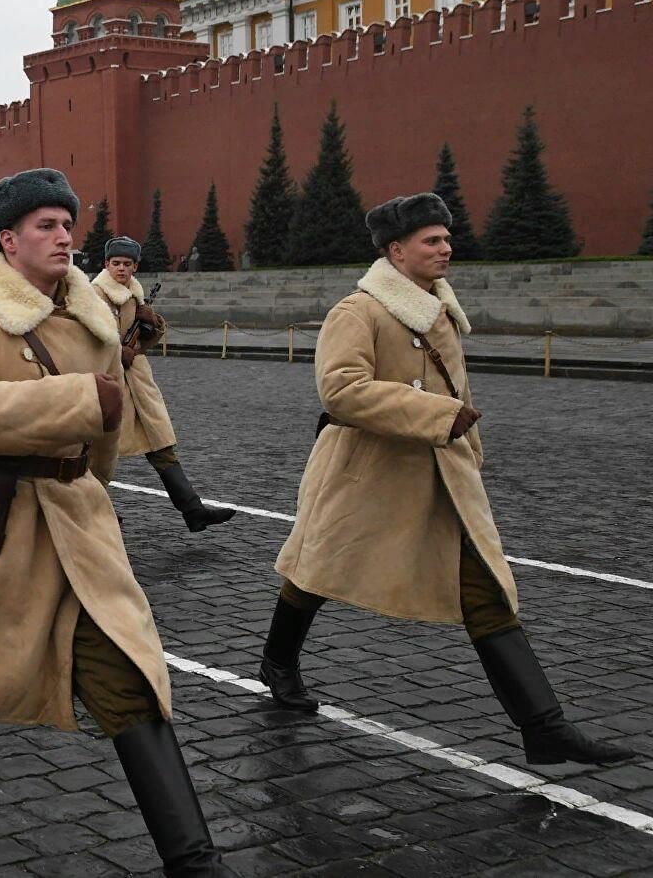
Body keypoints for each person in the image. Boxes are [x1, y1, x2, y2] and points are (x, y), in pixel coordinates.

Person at [0, 169, 224, 872]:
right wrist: (78, 401)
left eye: (67, 224)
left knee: (130, 675)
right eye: (45, 225)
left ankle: (194, 861)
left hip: (74, 521)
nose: (63, 236)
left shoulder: (93, 319)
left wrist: (87, 489)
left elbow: (103, 439)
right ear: (8, 241)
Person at [260, 193, 634, 768]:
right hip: (367, 475)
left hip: (441, 478)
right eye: (432, 240)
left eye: (446, 238)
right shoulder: (357, 312)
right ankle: (277, 662)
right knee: (316, 568)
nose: (446, 248)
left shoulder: (436, 308)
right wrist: (434, 415)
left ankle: (544, 727)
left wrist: (460, 437)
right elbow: (340, 389)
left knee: (486, 589)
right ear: (396, 250)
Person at [93, 238, 235, 533]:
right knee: (100, 450)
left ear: (135, 267)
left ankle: (193, 510)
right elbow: (88, 339)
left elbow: (144, 342)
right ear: (106, 265)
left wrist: (151, 325)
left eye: (127, 264)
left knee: (161, 446)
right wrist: (118, 352)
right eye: (116, 263)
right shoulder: (94, 295)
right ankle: (96, 510)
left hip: (138, 382)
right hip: (108, 379)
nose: (121, 269)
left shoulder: (135, 294)